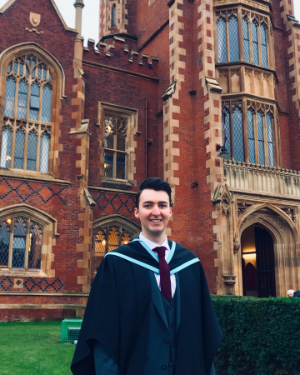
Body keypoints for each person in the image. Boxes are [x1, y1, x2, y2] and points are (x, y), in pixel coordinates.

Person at [71, 177, 222, 375]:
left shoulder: (190, 265)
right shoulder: (117, 263)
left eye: (162, 205)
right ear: (137, 212)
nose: (156, 212)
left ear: (170, 211)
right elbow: (102, 334)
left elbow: (204, 332)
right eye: (148, 205)